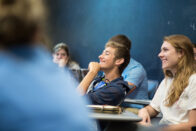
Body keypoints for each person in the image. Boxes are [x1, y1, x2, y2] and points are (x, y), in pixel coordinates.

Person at [0, 0, 92, 130]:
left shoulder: (70, 71)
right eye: (57, 54)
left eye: (62, 55)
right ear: (38, 30)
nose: (59, 57)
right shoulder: (59, 78)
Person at [138, 34, 196, 131]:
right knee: (116, 126)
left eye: (165, 50)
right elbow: (153, 109)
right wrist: (144, 110)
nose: (160, 54)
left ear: (181, 53)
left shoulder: (193, 80)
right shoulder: (167, 80)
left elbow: (193, 125)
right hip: (162, 127)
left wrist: (158, 130)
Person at [77, 40, 130, 106]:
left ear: (118, 61)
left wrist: (92, 72)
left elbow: (76, 99)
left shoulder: (116, 90)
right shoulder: (99, 80)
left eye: (106, 54)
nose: (100, 56)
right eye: (102, 53)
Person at [109, 34, 149, 109]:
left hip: (135, 110)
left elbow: (117, 94)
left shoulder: (136, 69)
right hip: (117, 106)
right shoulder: (111, 66)